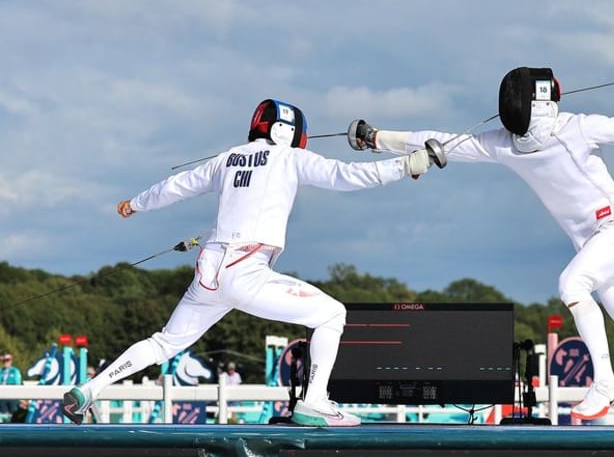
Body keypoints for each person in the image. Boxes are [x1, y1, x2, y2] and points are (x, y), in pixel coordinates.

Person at [348, 66, 614, 429]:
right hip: (596, 245)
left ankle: (606, 384)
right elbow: (438, 140)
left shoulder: (579, 127)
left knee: (572, 285)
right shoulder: (504, 143)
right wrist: (375, 138)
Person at [61, 97, 446, 426]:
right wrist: (406, 166)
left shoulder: (227, 159)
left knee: (163, 343)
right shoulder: (290, 158)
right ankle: (315, 401)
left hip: (209, 270)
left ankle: (89, 389)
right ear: (288, 131)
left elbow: (174, 187)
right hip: (246, 268)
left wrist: (135, 204)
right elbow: (346, 175)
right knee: (331, 315)